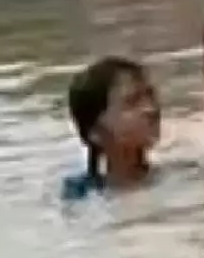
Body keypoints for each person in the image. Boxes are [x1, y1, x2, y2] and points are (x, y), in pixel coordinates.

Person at [63, 56, 162, 200]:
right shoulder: (80, 199)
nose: (151, 109)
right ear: (95, 132)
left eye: (150, 95)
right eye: (132, 102)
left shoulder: (185, 177)